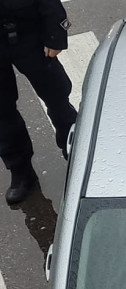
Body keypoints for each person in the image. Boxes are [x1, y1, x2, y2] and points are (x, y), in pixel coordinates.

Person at [0, 0, 74, 205]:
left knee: (57, 97)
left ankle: (76, 153)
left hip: (29, 32)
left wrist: (56, 33)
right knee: (3, 114)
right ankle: (20, 171)